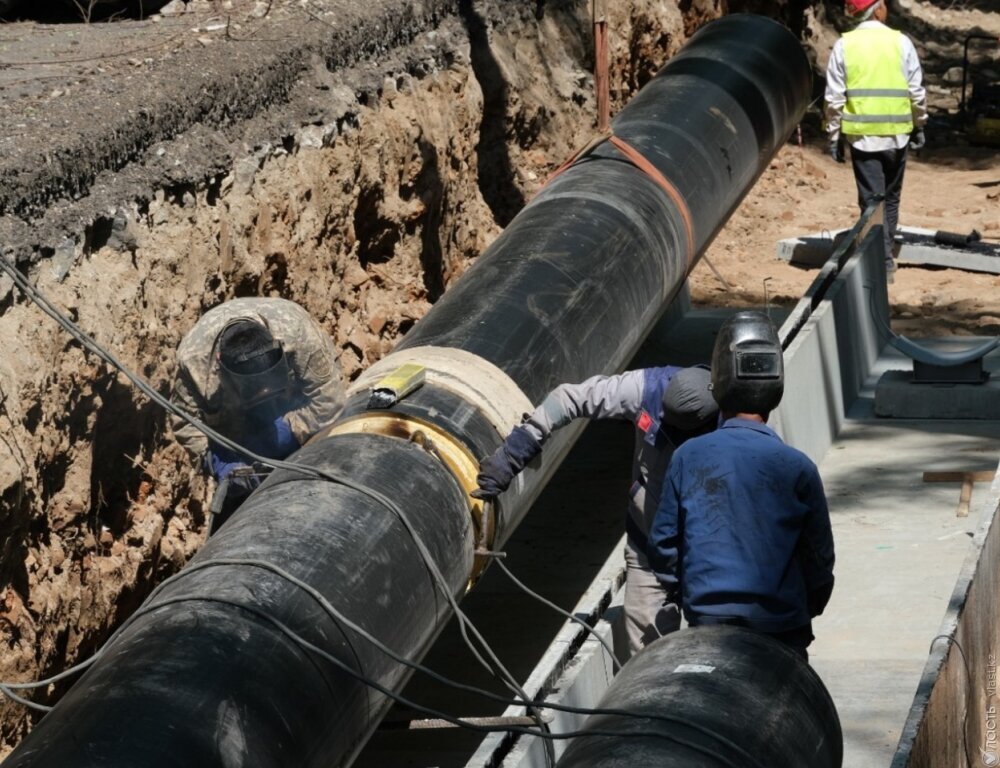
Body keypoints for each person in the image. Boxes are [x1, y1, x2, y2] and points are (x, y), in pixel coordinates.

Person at [472, 365, 719, 655]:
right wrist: (517, 450)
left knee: (715, 650)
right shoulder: (647, 389)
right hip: (648, 549)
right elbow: (568, 399)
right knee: (647, 655)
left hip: (708, 550)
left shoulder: (732, 420)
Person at [648, 311, 835, 660]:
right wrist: (799, 611)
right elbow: (820, 562)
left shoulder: (688, 457)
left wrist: (689, 594)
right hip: (782, 632)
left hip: (707, 625)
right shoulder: (799, 468)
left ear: (717, 382)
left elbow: (663, 546)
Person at [170, 297, 345, 527]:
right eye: (255, 389)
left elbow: (329, 401)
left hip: (291, 396)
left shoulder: (298, 333)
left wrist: (287, 432)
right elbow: (185, 423)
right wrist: (220, 462)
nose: (262, 394)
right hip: (232, 417)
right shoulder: (194, 362)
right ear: (220, 366)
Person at [824, 0, 928, 282]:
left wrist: (833, 136)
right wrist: (920, 124)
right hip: (897, 136)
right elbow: (915, 90)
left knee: (871, 201)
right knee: (891, 198)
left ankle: (880, 261)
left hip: (863, 139)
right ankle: (885, 258)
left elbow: (834, 97)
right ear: (878, 10)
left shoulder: (845, 45)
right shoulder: (901, 42)